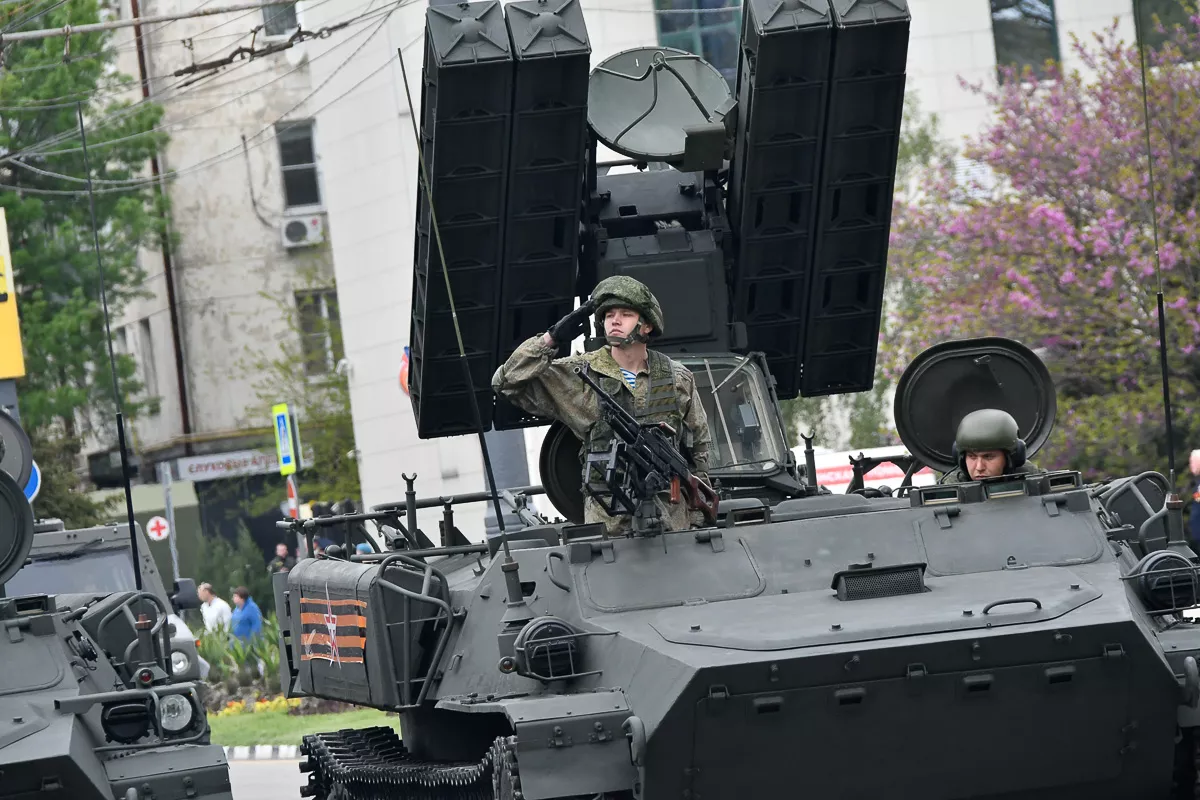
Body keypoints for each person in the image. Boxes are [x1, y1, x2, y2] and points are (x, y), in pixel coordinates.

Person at [492, 275, 712, 535]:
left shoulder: (678, 378)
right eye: (608, 315)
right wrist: (552, 338)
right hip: (608, 525)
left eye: (626, 314)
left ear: (647, 325)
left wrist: (699, 515)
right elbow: (505, 382)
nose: (615, 321)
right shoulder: (579, 375)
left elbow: (699, 447)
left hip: (672, 520)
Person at [939, 408, 1043, 483]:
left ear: (1011, 458)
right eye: (972, 456)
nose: (979, 467)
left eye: (988, 457)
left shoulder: (1035, 480)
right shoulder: (949, 492)